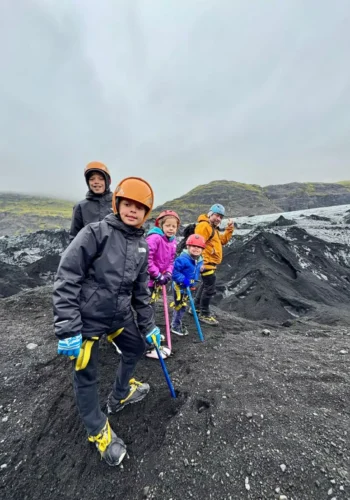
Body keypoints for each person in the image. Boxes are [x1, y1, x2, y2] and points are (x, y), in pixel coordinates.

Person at [53, 177, 161, 467]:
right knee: (86, 375)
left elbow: (141, 292)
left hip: (120, 316)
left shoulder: (142, 246)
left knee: (136, 348)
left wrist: (149, 325)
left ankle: (120, 394)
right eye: (128, 204)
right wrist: (67, 328)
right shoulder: (95, 232)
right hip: (86, 321)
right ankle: (97, 430)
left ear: (146, 213)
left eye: (140, 207)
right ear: (118, 204)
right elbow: (67, 278)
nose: (133, 210)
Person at [194, 203, 234, 325]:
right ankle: (204, 314)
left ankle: (196, 308)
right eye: (217, 215)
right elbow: (197, 244)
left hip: (209, 263)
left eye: (221, 217)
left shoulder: (212, 229)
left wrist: (229, 229)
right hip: (206, 263)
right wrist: (202, 262)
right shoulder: (204, 226)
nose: (219, 219)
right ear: (210, 214)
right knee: (210, 288)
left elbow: (222, 241)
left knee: (205, 285)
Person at [171, 234, 206, 336]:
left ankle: (177, 322)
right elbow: (174, 272)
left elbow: (196, 267)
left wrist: (200, 268)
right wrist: (184, 280)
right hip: (180, 287)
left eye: (199, 247)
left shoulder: (199, 259)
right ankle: (175, 326)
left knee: (183, 306)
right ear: (188, 246)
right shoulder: (182, 259)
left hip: (189, 287)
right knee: (180, 307)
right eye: (193, 246)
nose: (196, 249)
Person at [69, 161, 113, 241]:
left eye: (101, 179)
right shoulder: (80, 207)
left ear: (108, 181)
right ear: (88, 182)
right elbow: (74, 238)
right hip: (90, 253)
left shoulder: (118, 204)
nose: (96, 182)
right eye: (92, 179)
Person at [146, 210, 180, 298]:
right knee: (146, 304)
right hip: (147, 280)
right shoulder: (154, 238)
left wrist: (168, 272)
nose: (171, 228)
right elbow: (147, 259)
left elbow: (171, 261)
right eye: (167, 226)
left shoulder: (173, 242)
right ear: (161, 226)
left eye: (174, 226)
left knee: (152, 303)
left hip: (158, 280)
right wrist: (157, 275)